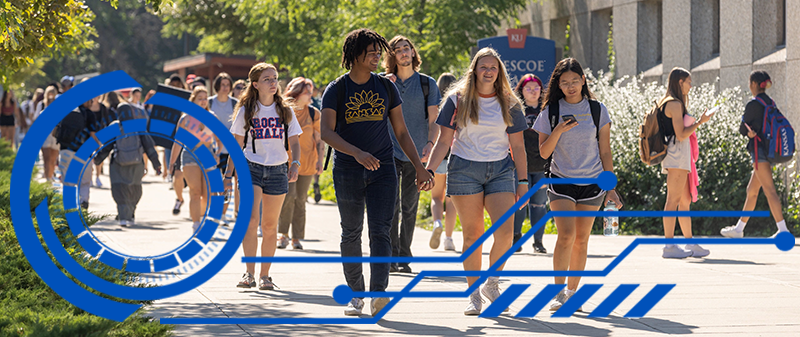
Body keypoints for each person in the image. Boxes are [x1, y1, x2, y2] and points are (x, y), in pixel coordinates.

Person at [320, 28, 433, 317]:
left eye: (378, 52)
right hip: (348, 170)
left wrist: (420, 167)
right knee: (351, 232)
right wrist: (356, 152)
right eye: (370, 52)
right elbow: (327, 133)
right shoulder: (337, 89)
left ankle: (379, 293)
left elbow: (401, 132)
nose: (376, 56)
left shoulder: (385, 87)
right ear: (354, 55)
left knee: (381, 230)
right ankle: (356, 295)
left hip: (383, 169)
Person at [425, 47, 528, 316]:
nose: (489, 71)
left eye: (493, 67)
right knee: (472, 235)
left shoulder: (510, 102)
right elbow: (443, 141)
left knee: (506, 234)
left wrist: (524, 181)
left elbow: (518, 147)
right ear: (474, 70)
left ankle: (491, 284)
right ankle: (473, 294)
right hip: (464, 170)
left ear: (499, 72)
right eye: (484, 66)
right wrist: (428, 171)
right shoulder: (457, 100)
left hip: (501, 171)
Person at [531, 58, 622, 311]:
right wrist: (558, 130)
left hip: (593, 182)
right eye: (565, 83)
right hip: (562, 181)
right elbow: (543, 153)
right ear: (558, 85)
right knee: (566, 235)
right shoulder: (550, 111)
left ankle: (572, 293)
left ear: (583, 80)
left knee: (582, 240)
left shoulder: (597, 109)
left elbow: (605, 151)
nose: (571, 87)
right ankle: (558, 292)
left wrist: (611, 187)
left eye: (574, 81)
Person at [224, 63, 302, 291]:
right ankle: (249, 273)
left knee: (269, 226)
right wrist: (228, 174)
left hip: (278, 170)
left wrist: (295, 164)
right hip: (251, 167)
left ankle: (265, 276)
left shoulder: (284, 110)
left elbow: (295, 141)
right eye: (267, 79)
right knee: (250, 222)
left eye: (275, 78)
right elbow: (236, 145)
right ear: (255, 84)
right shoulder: (246, 111)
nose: (273, 82)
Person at [381, 35, 442, 273]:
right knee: (390, 205)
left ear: (413, 53)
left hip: (417, 155)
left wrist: (430, 143)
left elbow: (434, 119)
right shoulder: (385, 82)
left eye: (407, 48)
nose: (403, 53)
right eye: (398, 50)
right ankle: (391, 255)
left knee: (409, 206)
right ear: (392, 56)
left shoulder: (428, 83)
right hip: (388, 151)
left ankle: (404, 256)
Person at [721, 70, 791, 238]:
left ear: (753, 84)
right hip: (769, 150)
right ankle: (739, 229)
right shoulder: (770, 102)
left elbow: (742, 128)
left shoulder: (754, 104)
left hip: (760, 153)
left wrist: (749, 133)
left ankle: (783, 231)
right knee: (752, 190)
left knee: (769, 190)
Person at [657, 67, 713, 259]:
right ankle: (669, 246)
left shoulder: (669, 102)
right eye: (689, 82)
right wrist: (700, 122)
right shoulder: (674, 104)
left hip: (677, 156)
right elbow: (681, 135)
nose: (691, 85)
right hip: (676, 156)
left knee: (684, 201)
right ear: (680, 82)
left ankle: (689, 242)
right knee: (672, 200)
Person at [93, 103, 162, 226]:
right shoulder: (138, 125)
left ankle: (124, 216)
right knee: (134, 188)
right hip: (137, 164)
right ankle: (129, 213)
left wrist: (98, 160)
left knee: (119, 189)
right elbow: (149, 146)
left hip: (118, 164)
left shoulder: (114, 126)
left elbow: (106, 147)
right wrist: (156, 164)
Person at [277, 77, 324, 250]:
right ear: (297, 94)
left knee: (301, 199)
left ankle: (296, 237)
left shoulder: (314, 113)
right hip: (287, 162)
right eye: (307, 92)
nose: (311, 95)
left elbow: (319, 140)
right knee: (289, 196)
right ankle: (283, 234)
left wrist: (320, 160)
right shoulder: (285, 111)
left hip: (308, 162)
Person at [170, 86, 222, 232]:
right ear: (193, 100)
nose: (203, 101)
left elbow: (219, 139)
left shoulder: (212, 117)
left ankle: (202, 217)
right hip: (190, 156)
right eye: (200, 98)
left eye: (205, 98)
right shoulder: (185, 119)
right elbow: (178, 142)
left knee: (207, 194)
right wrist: (172, 163)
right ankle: (196, 224)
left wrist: (217, 153)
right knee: (195, 192)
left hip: (208, 157)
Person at [514, 74, 548, 254]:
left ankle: (538, 241)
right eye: (528, 88)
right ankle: (516, 238)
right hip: (521, 166)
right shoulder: (517, 110)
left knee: (539, 204)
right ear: (522, 90)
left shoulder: (547, 110)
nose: (533, 91)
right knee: (521, 202)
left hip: (542, 166)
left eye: (536, 87)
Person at [56, 79, 100, 209]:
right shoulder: (89, 114)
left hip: (65, 150)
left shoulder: (66, 110)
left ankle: (68, 206)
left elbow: (55, 131)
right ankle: (83, 200)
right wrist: (98, 147)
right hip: (83, 152)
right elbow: (93, 135)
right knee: (84, 181)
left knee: (68, 182)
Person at [429, 73, 458, 251]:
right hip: (455, 156)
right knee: (451, 199)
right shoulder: (458, 104)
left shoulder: (436, 106)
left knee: (436, 196)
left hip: (439, 155)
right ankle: (448, 238)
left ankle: (437, 222)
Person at [209, 72, 240, 222]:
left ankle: (223, 213)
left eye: (228, 85)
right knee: (215, 181)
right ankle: (215, 210)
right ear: (217, 86)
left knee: (229, 181)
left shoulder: (235, 103)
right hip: (213, 149)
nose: (225, 88)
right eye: (223, 84)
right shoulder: (209, 103)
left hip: (231, 149)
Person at [165, 74, 188, 215]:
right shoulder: (166, 100)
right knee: (177, 174)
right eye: (173, 84)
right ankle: (179, 199)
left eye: (178, 84)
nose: (176, 86)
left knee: (192, 177)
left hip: (188, 141)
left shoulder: (188, 99)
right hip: (172, 139)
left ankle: (196, 204)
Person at [36, 86, 60, 182]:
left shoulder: (58, 104)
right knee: (46, 158)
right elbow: (36, 118)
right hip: (45, 135)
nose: (51, 95)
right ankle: (47, 178)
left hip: (55, 134)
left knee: (53, 159)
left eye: (53, 93)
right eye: (49, 93)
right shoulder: (41, 105)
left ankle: (50, 175)